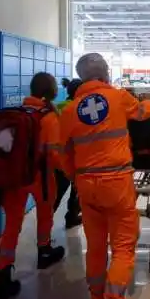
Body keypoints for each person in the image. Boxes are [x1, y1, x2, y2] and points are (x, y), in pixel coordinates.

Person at [59, 53, 150, 299]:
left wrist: (78, 175)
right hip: (117, 183)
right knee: (124, 248)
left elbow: (62, 153)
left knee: (96, 249)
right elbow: (142, 112)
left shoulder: (70, 109)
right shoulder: (117, 97)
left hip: (87, 185)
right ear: (106, 73)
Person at [0, 72, 66, 299]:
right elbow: (54, 154)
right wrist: (71, 171)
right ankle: (44, 251)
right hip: (40, 176)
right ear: (52, 91)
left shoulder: (17, 112)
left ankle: (2, 277)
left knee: (12, 224)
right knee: (45, 214)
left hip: (14, 177)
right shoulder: (48, 117)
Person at [53, 79, 83, 229]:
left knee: (56, 193)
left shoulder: (58, 107)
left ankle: (46, 224)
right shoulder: (79, 109)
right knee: (76, 191)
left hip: (58, 157)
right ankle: (72, 216)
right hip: (75, 157)